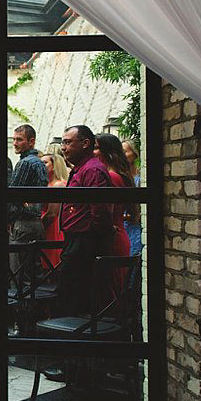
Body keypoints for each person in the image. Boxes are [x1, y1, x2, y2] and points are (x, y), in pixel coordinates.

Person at [57, 125, 114, 316]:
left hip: (84, 242)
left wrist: (89, 238)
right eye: (62, 142)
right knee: (71, 292)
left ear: (85, 143)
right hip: (77, 240)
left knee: (77, 295)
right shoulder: (83, 169)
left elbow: (100, 211)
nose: (63, 147)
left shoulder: (92, 170)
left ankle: (77, 339)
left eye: (68, 142)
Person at [94, 133, 137, 295]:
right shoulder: (117, 174)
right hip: (116, 234)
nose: (93, 152)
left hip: (112, 237)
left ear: (108, 151)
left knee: (111, 291)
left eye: (96, 148)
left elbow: (106, 212)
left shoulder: (111, 177)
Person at [8, 124, 49, 283]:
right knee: (32, 273)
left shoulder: (26, 163)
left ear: (31, 141)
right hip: (35, 223)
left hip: (24, 223)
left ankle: (22, 307)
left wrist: (9, 219)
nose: (15, 143)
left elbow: (13, 194)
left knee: (19, 276)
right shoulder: (38, 162)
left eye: (19, 139)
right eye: (14, 139)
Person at [40, 152, 69, 266]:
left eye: (45, 163)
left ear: (54, 165)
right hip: (46, 224)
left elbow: (52, 213)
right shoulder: (46, 183)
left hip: (52, 226)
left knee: (51, 261)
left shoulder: (58, 185)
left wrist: (40, 226)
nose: (42, 165)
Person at [121, 139, 143, 255]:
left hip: (134, 225)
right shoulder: (119, 176)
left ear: (134, 154)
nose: (122, 155)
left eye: (125, 151)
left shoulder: (140, 178)